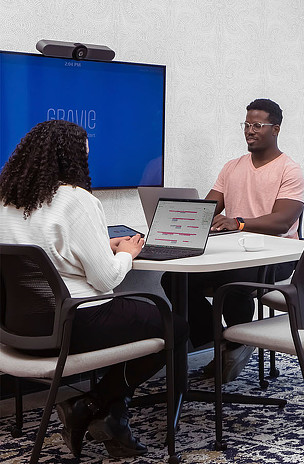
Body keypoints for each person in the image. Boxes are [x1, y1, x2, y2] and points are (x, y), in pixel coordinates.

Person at [0, 120, 188, 458]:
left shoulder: (6, 199)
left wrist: (102, 242)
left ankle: (114, 418)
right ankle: (91, 406)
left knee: (146, 321)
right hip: (76, 323)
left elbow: (50, 248)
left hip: (18, 328)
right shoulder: (76, 200)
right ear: (73, 159)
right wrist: (127, 254)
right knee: (174, 326)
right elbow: (106, 280)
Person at [164, 98, 304, 382]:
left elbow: (283, 221)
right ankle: (220, 343)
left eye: (257, 125)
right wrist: (170, 223)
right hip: (234, 253)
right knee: (173, 279)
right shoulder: (232, 167)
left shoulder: (289, 170)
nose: (249, 131)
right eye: (246, 124)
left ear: (275, 129)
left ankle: (237, 344)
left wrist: (239, 222)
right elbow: (208, 210)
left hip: (276, 257)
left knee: (232, 282)